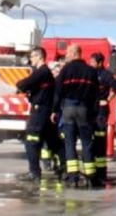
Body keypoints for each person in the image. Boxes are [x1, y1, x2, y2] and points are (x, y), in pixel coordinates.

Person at [53, 44, 100, 187]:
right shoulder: (91, 71)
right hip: (84, 109)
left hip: (68, 108)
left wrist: (54, 110)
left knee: (69, 142)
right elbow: (95, 95)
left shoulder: (65, 70)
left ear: (74, 54)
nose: (66, 56)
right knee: (87, 142)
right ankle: (91, 176)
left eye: (67, 53)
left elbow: (58, 91)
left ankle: (73, 177)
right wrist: (93, 113)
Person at [15, 46, 61, 182]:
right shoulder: (43, 73)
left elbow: (24, 83)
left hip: (40, 112)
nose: (30, 59)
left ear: (40, 57)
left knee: (30, 142)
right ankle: (65, 169)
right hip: (44, 111)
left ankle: (34, 173)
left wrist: (18, 86)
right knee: (54, 143)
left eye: (33, 56)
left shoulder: (42, 71)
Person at [89, 51, 116, 182]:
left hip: (101, 111)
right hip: (90, 110)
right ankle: (92, 171)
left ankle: (101, 173)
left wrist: (108, 99)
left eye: (93, 62)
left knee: (100, 140)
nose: (91, 64)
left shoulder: (105, 75)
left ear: (100, 62)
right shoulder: (90, 73)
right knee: (90, 141)